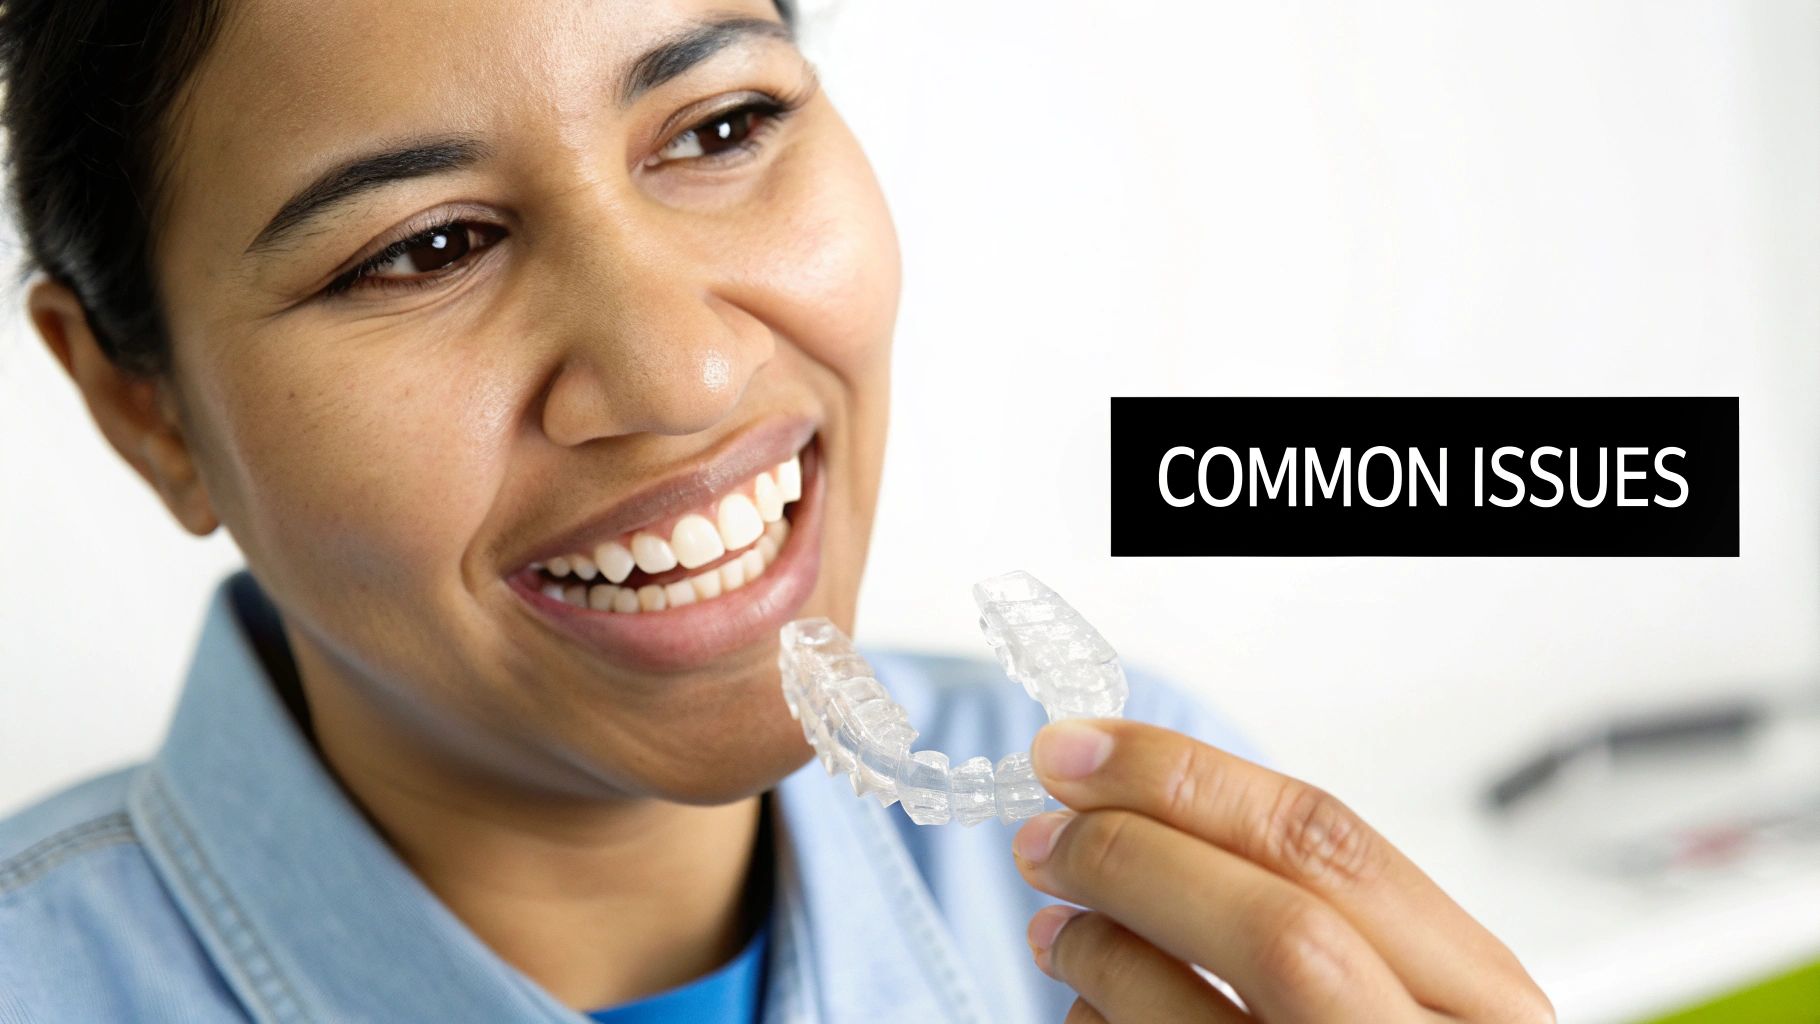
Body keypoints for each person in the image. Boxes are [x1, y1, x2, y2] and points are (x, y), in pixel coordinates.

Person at [0, 0, 1552, 1020]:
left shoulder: (1148, 839)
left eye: (721, 128)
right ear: (141, 405)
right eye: (423, 249)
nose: (680, 371)